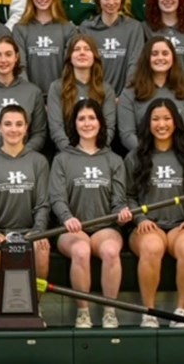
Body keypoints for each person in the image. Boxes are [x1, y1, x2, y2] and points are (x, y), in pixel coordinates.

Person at [51, 99, 133, 329]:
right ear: (74, 124)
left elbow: (118, 200)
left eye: (91, 118)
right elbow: (57, 198)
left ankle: (109, 311)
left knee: (109, 251)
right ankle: (83, 312)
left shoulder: (113, 159)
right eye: (81, 118)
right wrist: (67, 217)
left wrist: (121, 213)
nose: (87, 123)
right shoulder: (62, 159)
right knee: (81, 250)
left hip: (105, 228)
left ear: (100, 123)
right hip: (72, 230)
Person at [125, 99, 184, 328]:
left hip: (181, 225)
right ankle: (149, 312)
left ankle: (180, 312)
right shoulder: (135, 157)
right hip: (148, 226)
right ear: (148, 123)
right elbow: (127, 196)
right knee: (151, 247)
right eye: (156, 119)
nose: (162, 124)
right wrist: (140, 218)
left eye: (167, 118)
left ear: (176, 122)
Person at [0, 105, 50, 298]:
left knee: (42, 249)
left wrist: (38, 230)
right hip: (0, 230)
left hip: (29, 231)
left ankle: (36, 306)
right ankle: (0, 305)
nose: (13, 129)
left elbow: (43, 203)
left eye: (19, 124)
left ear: (26, 128)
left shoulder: (39, 161)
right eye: (8, 124)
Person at [118, 37, 184, 152]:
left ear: (173, 58)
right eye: (154, 54)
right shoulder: (130, 92)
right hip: (144, 159)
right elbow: (127, 134)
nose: (160, 58)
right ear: (146, 58)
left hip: (182, 158)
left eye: (165, 53)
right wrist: (149, 154)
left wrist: (179, 153)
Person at [47, 34, 117, 152]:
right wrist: (72, 152)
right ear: (70, 57)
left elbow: (109, 128)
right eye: (76, 49)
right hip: (67, 154)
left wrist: (96, 151)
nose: (82, 53)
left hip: (98, 153)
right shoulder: (56, 88)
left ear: (94, 56)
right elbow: (56, 128)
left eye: (87, 49)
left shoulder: (106, 89)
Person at [13, 0, 77, 95]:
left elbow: (70, 68)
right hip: (30, 96)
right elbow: (20, 68)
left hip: (61, 95)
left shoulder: (68, 29)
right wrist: (30, 96)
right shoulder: (20, 29)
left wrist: (57, 96)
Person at [79, 0, 144, 95]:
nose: (111, 2)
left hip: (124, 98)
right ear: (98, 0)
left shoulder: (134, 28)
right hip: (94, 97)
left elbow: (135, 64)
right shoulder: (86, 28)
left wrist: (126, 95)